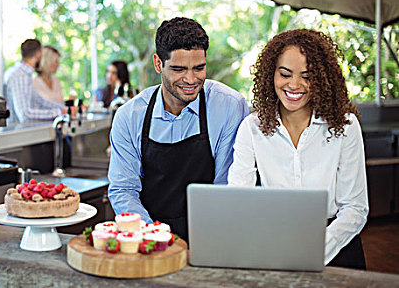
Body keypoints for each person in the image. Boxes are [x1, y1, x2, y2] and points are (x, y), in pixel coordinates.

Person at [228, 29, 368, 269]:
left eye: (307, 76)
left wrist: (315, 251)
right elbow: (239, 199)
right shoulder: (251, 128)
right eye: (285, 74)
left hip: (336, 245)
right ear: (270, 75)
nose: (294, 85)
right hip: (275, 242)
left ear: (323, 79)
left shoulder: (344, 126)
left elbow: (354, 208)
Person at [108, 17, 249, 240]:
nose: (191, 79)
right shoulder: (129, 116)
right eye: (178, 69)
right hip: (150, 236)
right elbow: (123, 190)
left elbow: (227, 188)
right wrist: (154, 236)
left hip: (210, 234)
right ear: (158, 64)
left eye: (199, 68)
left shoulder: (230, 106)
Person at [4, 39, 65, 123]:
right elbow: (24, 114)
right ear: (38, 54)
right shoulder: (20, 76)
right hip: (18, 132)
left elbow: (40, 101)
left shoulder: (25, 75)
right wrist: (59, 112)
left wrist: (65, 109)